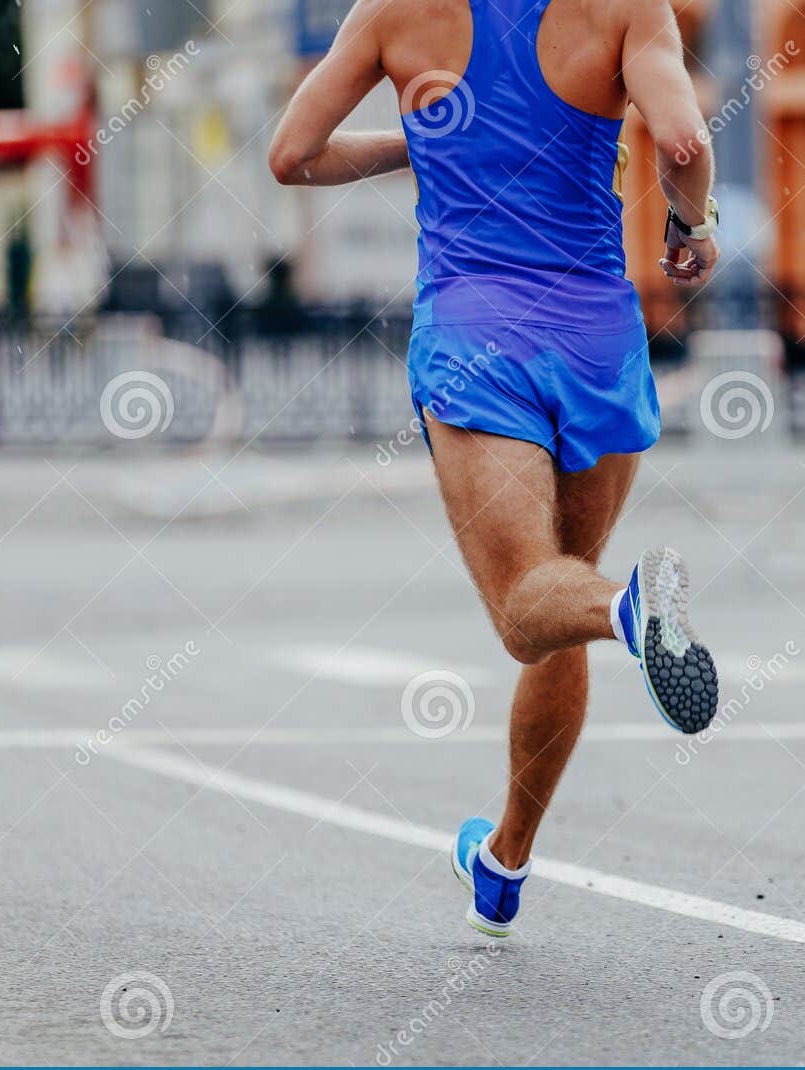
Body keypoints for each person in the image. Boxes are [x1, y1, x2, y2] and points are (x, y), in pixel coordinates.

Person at [270, 0, 722, 937]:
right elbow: (680, 138)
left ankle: (633, 609)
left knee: (530, 610)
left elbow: (294, 154)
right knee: (564, 592)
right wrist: (692, 226)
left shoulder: (396, 10)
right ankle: (504, 861)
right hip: (598, 337)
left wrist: (417, 142)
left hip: (479, 336)